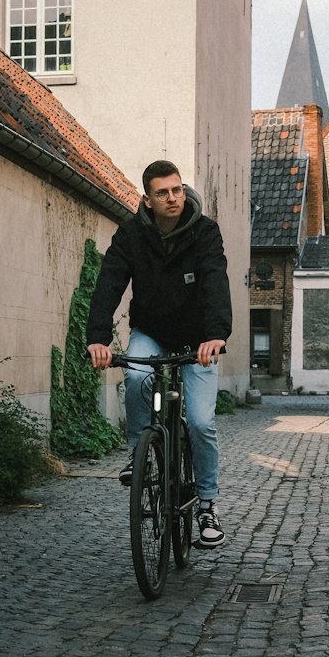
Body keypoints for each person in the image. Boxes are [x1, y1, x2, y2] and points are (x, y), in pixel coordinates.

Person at [86, 160, 231, 548]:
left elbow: (216, 280)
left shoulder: (204, 232)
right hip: (151, 332)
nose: (173, 198)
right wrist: (98, 337)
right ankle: (140, 452)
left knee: (200, 422)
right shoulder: (131, 235)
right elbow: (109, 283)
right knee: (135, 376)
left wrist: (216, 335)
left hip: (198, 341)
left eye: (178, 190)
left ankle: (207, 506)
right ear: (147, 200)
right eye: (163, 193)